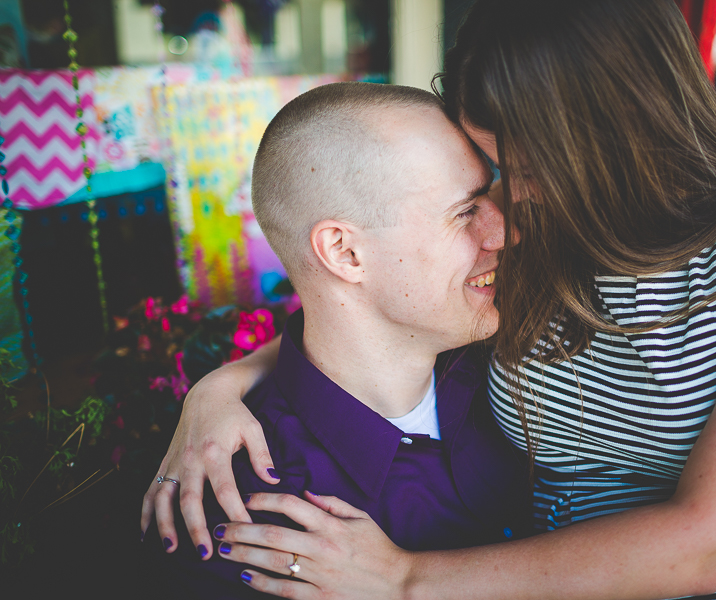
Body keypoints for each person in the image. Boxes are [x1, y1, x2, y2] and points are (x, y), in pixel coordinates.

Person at [143, 1, 716, 598]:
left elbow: (708, 545)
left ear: (610, 137)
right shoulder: (541, 227)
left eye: (521, 164)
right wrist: (223, 387)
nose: (507, 210)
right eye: (489, 174)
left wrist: (405, 584)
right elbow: (375, 318)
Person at [150, 82, 531, 596]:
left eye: (492, 194)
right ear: (345, 253)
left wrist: (218, 382)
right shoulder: (247, 511)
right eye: (466, 212)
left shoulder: (517, 361)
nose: (505, 232)